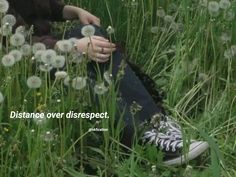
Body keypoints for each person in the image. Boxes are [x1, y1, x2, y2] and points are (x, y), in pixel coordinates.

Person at [5, 0, 209, 166]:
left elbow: (45, 6)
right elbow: (14, 43)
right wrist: (72, 46)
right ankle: (141, 140)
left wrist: (75, 11)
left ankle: (155, 122)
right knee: (84, 69)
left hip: (46, 48)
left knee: (94, 36)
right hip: (20, 64)